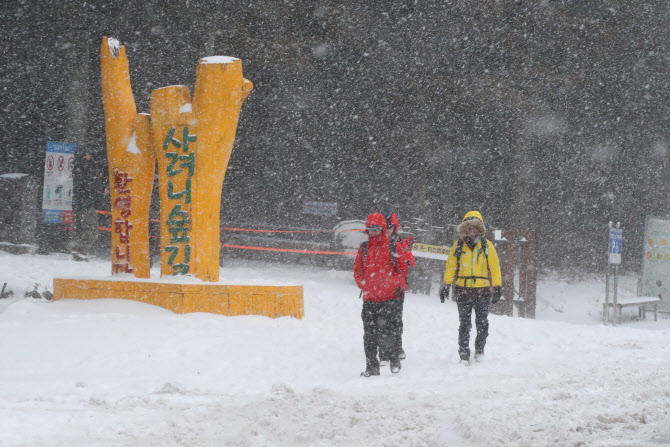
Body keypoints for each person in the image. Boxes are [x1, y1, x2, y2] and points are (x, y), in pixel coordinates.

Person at [439, 211, 502, 363]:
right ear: (464, 229)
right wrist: (446, 284)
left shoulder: (487, 246)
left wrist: (497, 286)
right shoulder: (458, 245)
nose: (472, 231)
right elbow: (451, 266)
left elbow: (494, 267)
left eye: (475, 228)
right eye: (469, 228)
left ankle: (479, 350)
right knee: (464, 324)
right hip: (463, 289)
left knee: (482, 322)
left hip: (482, 290)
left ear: (480, 229)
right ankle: (464, 353)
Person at [354, 213, 408, 377]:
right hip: (370, 299)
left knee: (388, 332)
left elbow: (403, 269)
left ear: (383, 229)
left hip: (389, 298)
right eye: (370, 229)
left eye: (377, 229)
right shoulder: (364, 248)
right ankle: (372, 367)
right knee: (369, 335)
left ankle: (394, 359)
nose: (374, 232)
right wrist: (365, 285)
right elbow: (357, 270)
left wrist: (393, 285)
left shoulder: (393, 245)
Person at [379, 212, 414, 364]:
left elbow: (410, 261)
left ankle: (397, 347)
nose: (387, 229)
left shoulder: (400, 242)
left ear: (395, 227)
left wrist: (401, 262)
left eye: (390, 227)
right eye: (385, 226)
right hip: (379, 288)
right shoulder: (376, 242)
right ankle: (383, 349)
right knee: (380, 319)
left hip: (396, 288)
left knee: (396, 319)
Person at [71, 151, 109, 261]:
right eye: (88, 155)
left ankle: (77, 250)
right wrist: (101, 189)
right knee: (91, 229)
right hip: (85, 204)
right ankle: (80, 249)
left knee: (79, 229)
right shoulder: (85, 168)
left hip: (78, 204)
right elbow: (89, 183)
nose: (90, 156)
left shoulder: (77, 167)